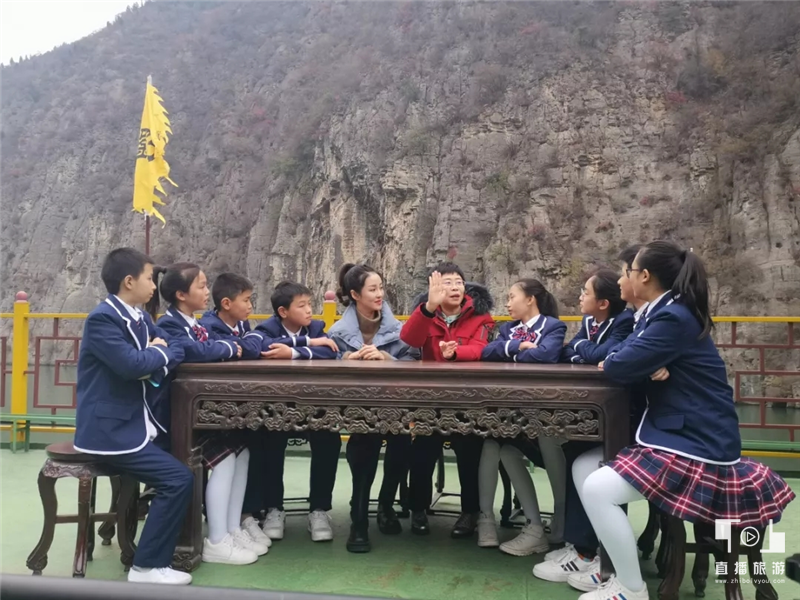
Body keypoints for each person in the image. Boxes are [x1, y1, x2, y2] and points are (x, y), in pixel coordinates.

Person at [573, 241, 795, 600]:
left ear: (645, 276)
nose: (623, 278)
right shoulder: (660, 314)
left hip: (698, 441)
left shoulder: (672, 317)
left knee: (598, 488)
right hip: (677, 433)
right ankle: (608, 568)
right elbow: (625, 356)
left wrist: (638, 362)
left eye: (629, 272)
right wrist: (644, 363)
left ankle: (630, 588)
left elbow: (618, 364)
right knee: (588, 470)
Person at [73, 248, 193, 585]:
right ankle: (147, 567)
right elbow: (129, 365)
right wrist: (155, 354)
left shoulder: (140, 317)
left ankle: (157, 557)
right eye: (149, 278)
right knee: (178, 479)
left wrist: (153, 358)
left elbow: (175, 347)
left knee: (187, 459)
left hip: (137, 423)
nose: (154, 286)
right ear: (129, 281)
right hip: (109, 431)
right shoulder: (102, 319)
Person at [536, 247, 643, 587]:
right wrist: (587, 351)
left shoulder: (625, 321)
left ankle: (592, 553)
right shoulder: (588, 322)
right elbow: (571, 351)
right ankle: (580, 545)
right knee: (573, 452)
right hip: (594, 412)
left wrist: (586, 350)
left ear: (603, 303)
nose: (580, 297)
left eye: (585, 292)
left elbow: (608, 354)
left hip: (621, 416)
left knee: (588, 462)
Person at [156, 263, 268, 565]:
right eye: (201, 286)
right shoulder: (169, 325)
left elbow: (208, 347)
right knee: (225, 458)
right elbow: (191, 351)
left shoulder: (195, 324)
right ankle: (217, 539)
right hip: (177, 418)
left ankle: (232, 529)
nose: (207, 292)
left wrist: (221, 346)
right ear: (181, 294)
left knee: (241, 451)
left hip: (200, 413)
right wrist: (228, 348)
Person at [327, 263, 419, 552]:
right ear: (355, 295)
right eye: (373, 289)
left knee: (401, 445)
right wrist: (346, 360)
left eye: (381, 288)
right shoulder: (337, 332)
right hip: (357, 406)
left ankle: (385, 505)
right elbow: (324, 363)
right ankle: (359, 518)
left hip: (395, 404)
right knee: (363, 445)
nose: (380, 294)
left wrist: (386, 359)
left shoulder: (400, 331)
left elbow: (415, 362)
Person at [400, 262, 495, 538]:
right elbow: (409, 338)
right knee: (422, 452)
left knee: (470, 453)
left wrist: (455, 354)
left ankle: (470, 512)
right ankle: (418, 508)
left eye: (458, 283)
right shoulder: (426, 313)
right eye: (447, 283)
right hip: (431, 399)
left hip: (468, 399)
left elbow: (481, 349)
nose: (454, 288)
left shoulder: (481, 316)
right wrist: (429, 307)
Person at [480, 279, 567, 555]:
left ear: (530, 299)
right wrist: (518, 347)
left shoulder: (553, 326)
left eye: (511, 297)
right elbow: (488, 352)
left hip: (547, 410)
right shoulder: (508, 329)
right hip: (511, 410)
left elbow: (548, 356)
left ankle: (562, 516)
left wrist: (513, 355)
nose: (507, 303)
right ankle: (531, 525)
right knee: (501, 447)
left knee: (549, 440)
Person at [252, 281, 340, 543]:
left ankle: (319, 509)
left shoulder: (317, 327)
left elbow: (329, 352)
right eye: (302, 306)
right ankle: (273, 508)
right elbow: (266, 347)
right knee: (268, 439)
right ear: (283, 311)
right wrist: (307, 344)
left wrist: (292, 352)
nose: (309, 310)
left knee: (329, 438)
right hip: (277, 405)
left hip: (314, 404)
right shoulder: (267, 328)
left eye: (310, 304)